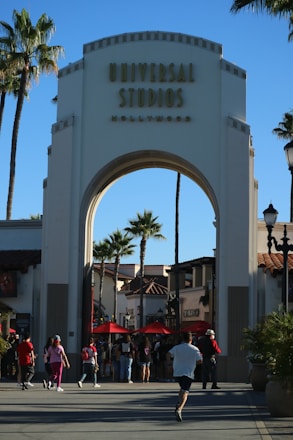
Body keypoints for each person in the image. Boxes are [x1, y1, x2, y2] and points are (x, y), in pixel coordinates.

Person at [167, 332, 202, 422]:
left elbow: (168, 354)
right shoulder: (195, 349)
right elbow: (200, 361)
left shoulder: (177, 347)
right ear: (191, 339)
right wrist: (192, 362)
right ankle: (180, 409)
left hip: (178, 372)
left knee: (182, 389)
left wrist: (170, 364)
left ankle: (179, 402)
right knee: (185, 392)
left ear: (183, 339)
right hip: (188, 372)